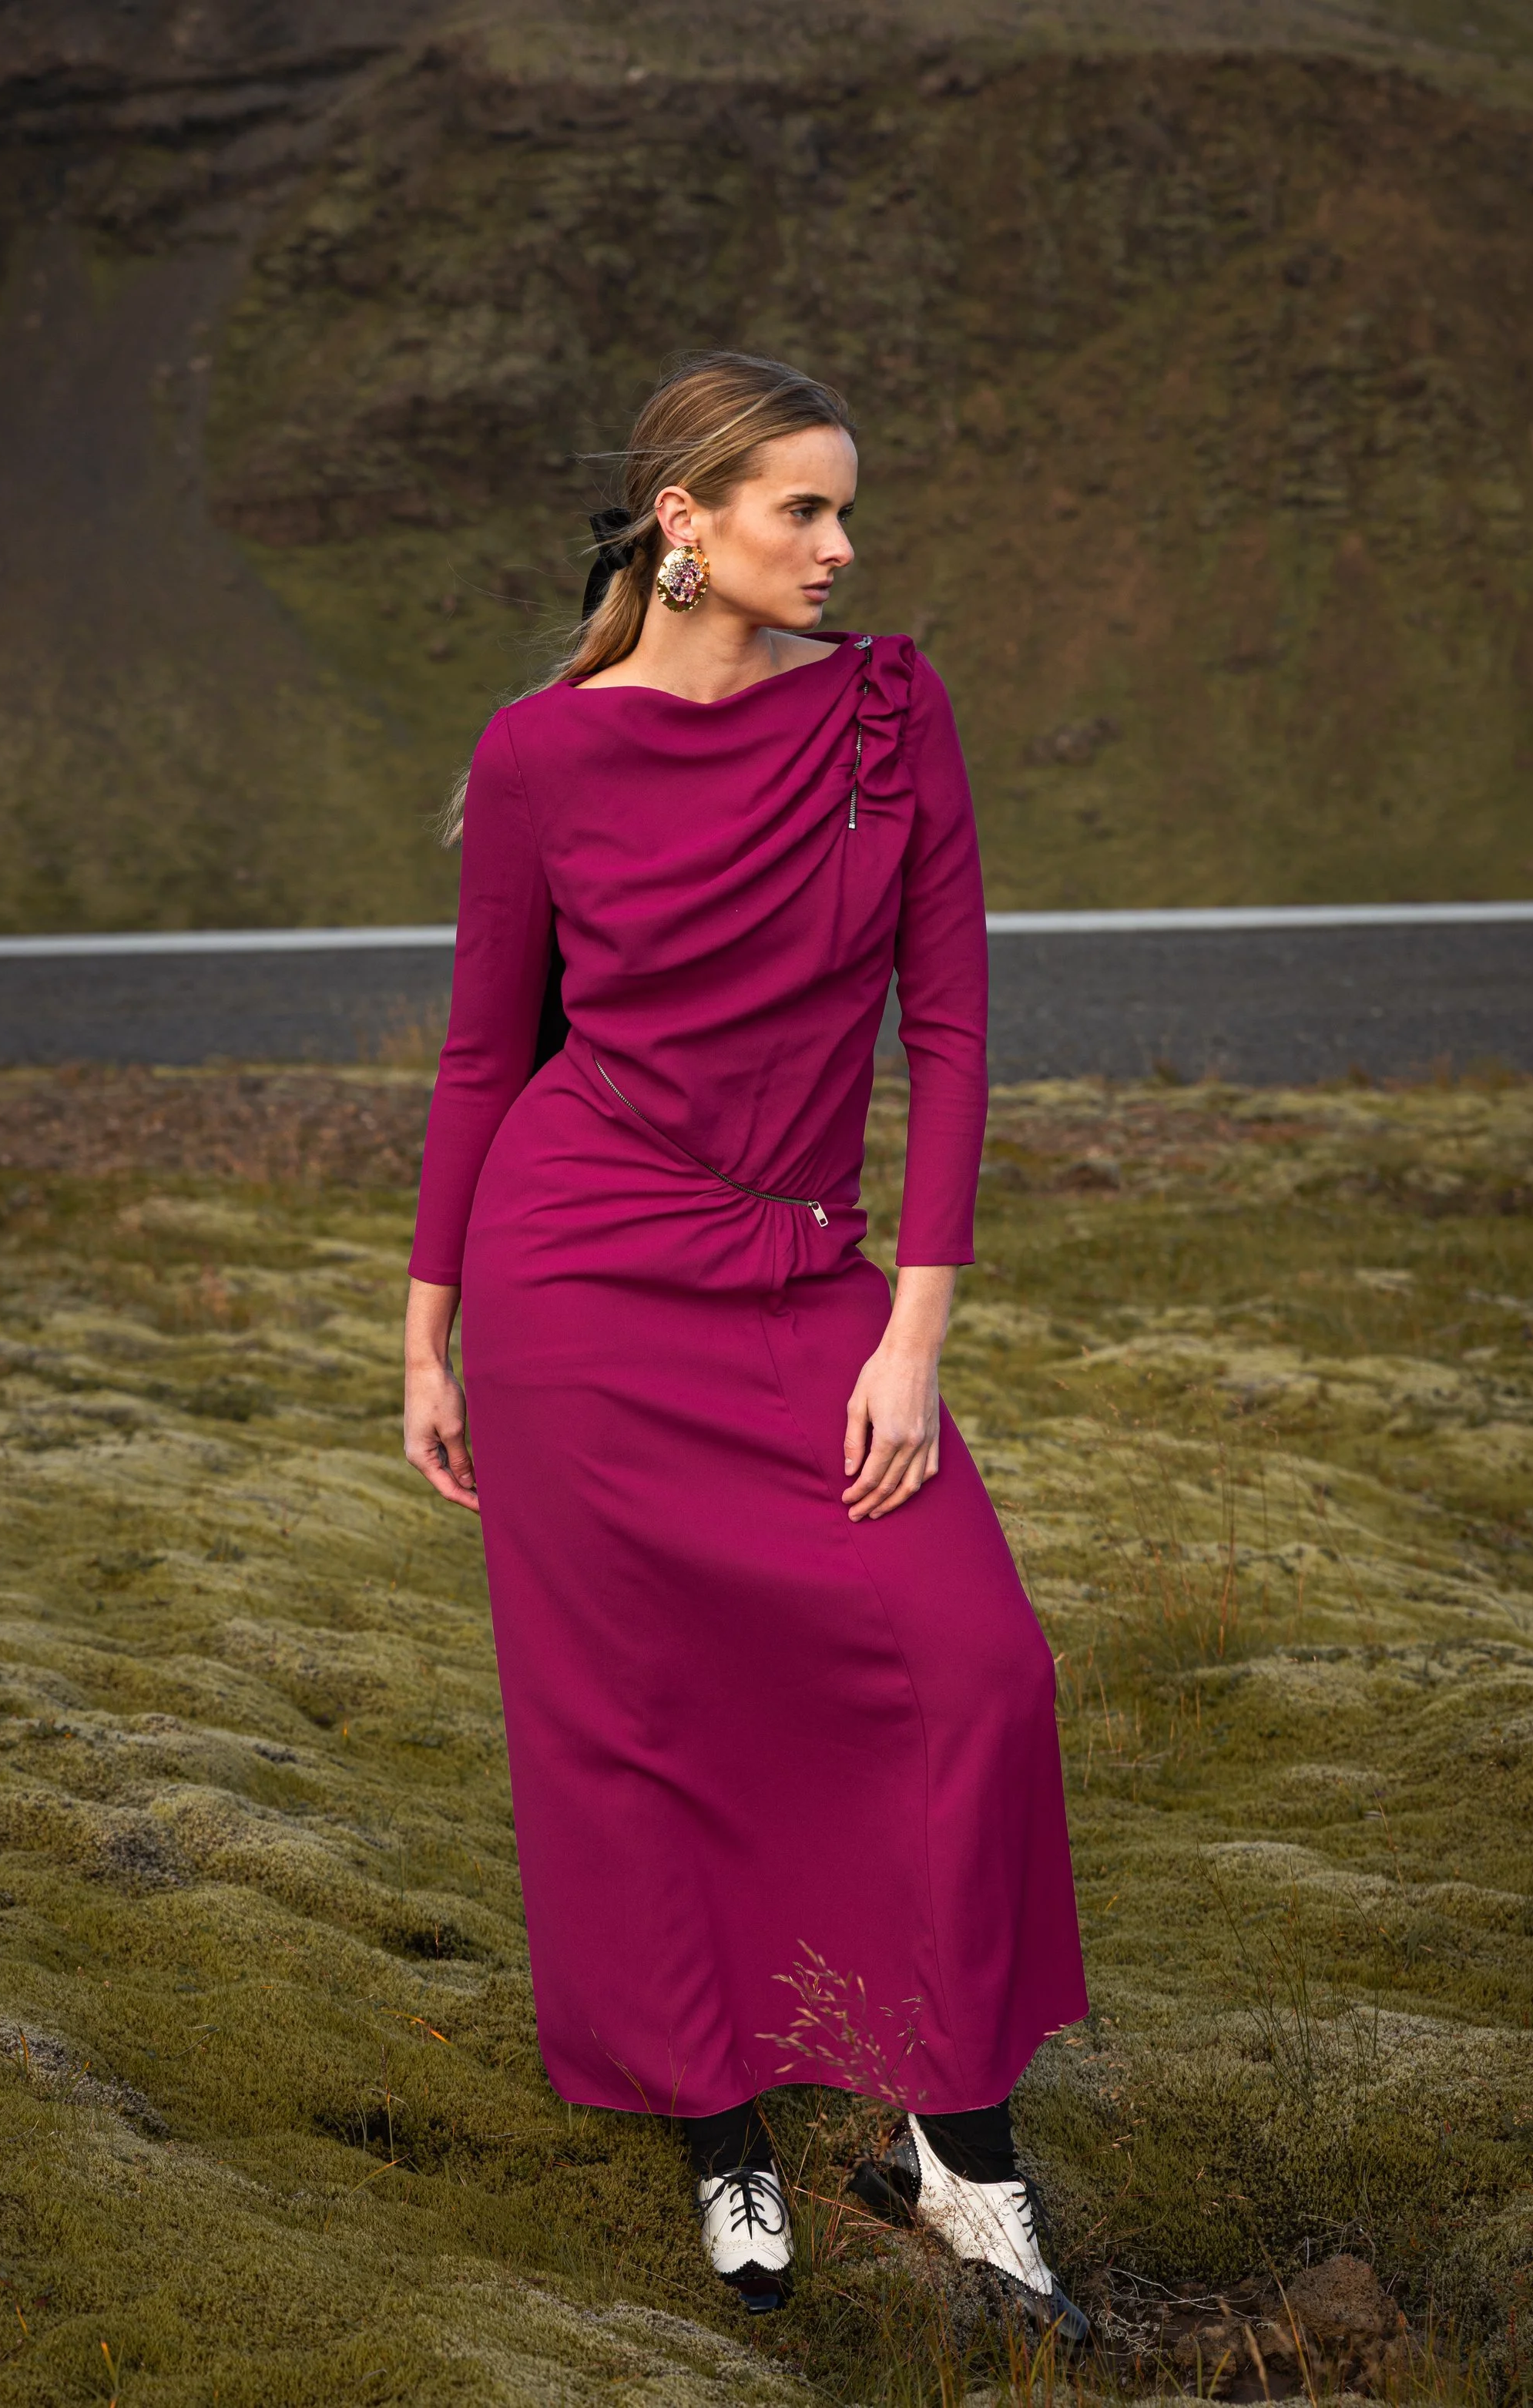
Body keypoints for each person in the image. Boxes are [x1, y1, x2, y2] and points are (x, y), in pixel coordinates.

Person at [402, 351, 1089, 2340]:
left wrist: (914, 1333)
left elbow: (947, 1029)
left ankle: (963, 2152)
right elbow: (483, 1053)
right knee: (637, 1720)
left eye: (844, 507)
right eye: (802, 507)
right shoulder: (539, 755)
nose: (841, 545)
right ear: (682, 525)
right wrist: (427, 1331)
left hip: (807, 1291)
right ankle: (719, 2128)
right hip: (572, 1290)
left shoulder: (888, 712)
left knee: (973, 1667)